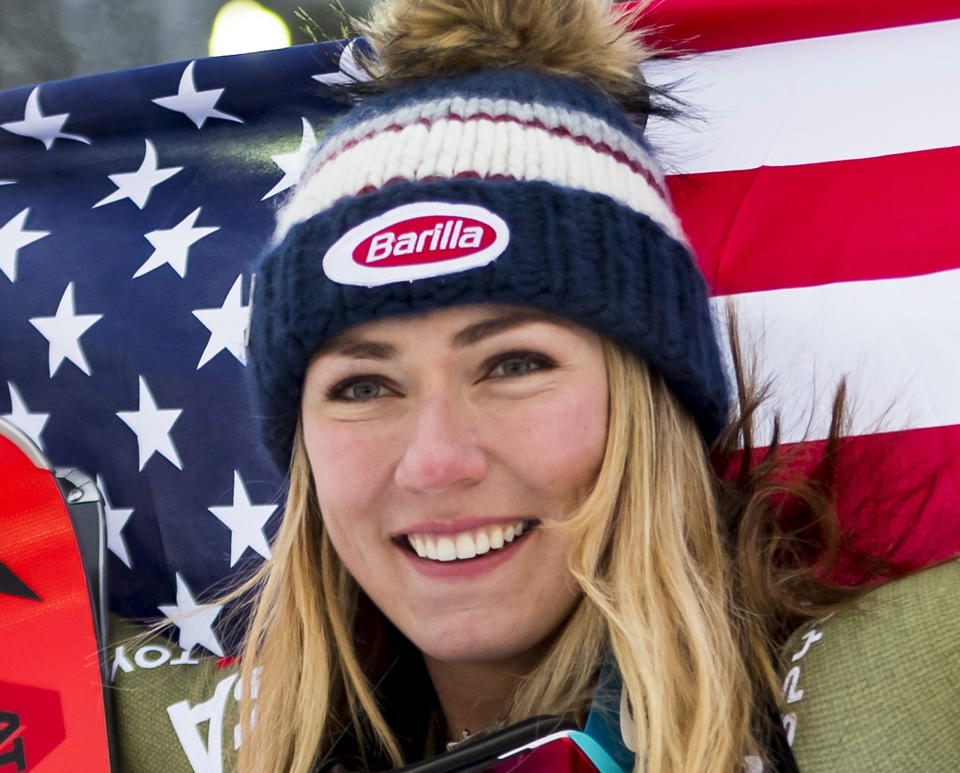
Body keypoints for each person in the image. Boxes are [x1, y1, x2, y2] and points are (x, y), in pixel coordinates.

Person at [233, 1, 932, 772]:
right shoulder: (169, 739)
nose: (435, 460)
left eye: (513, 365)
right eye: (363, 386)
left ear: (649, 400)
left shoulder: (898, 708)